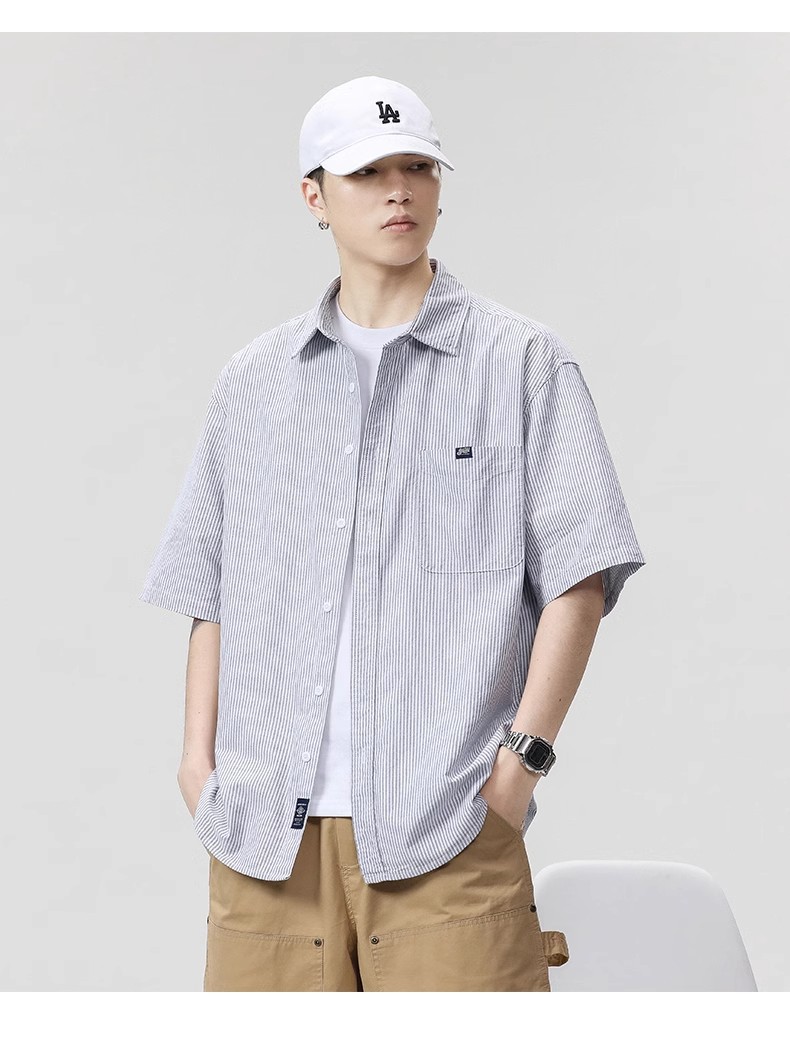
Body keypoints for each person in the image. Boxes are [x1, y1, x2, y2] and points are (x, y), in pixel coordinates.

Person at [140, 74, 647, 992]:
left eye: (418, 167)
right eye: (368, 172)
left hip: (446, 835)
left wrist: (518, 772)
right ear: (314, 196)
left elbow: (579, 580)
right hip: (264, 846)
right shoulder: (254, 382)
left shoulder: (523, 364)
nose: (399, 191)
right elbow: (209, 589)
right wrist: (197, 767)